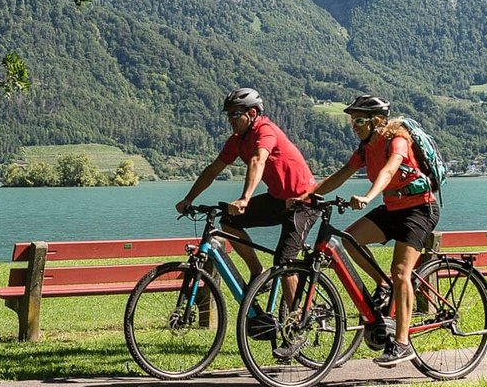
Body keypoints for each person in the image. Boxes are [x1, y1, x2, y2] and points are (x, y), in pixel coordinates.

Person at [293, 94, 440, 368]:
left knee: (401, 272)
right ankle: (384, 285)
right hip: (393, 210)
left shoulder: (397, 140)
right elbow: (341, 174)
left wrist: (368, 196)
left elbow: (388, 171)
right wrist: (308, 196)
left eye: (359, 120)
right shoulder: (364, 149)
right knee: (349, 239)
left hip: (420, 210)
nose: (355, 126)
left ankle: (402, 344)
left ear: (378, 121)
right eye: (352, 121)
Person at [175, 88, 318, 284]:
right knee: (229, 220)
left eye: (235, 113)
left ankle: (296, 314)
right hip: (278, 199)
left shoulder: (265, 130)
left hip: (304, 202)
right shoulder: (237, 141)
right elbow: (213, 170)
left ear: (252, 113)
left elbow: (258, 160)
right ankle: (258, 272)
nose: (230, 120)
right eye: (228, 115)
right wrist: (189, 198)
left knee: (284, 263)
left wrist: (245, 198)